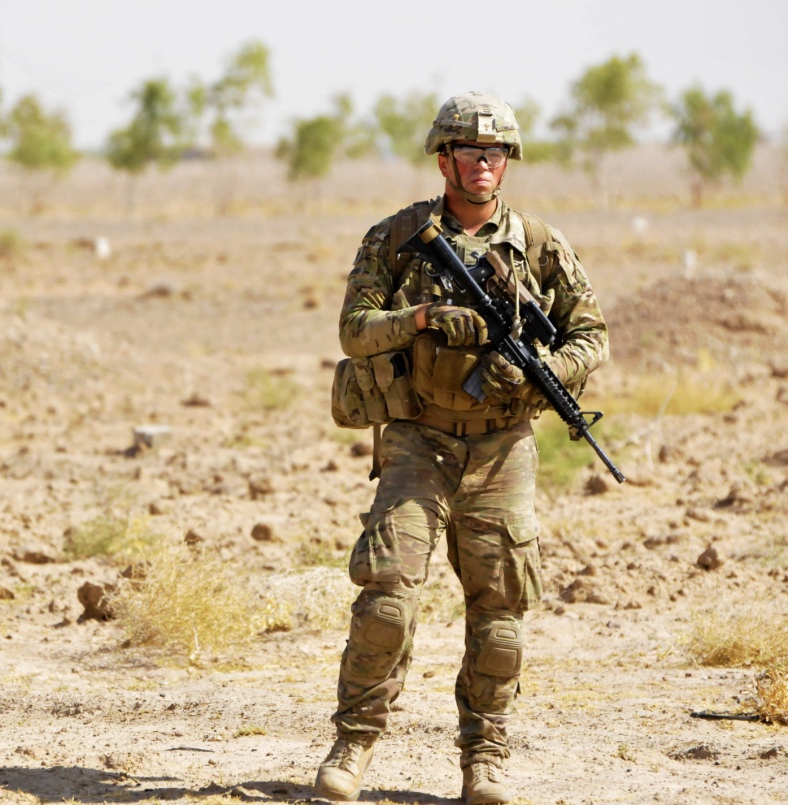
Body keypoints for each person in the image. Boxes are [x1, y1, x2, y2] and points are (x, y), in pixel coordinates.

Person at [315, 92, 609, 804]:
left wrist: (537, 369)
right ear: (443, 158)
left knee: (501, 612)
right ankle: (352, 744)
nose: (486, 164)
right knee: (386, 597)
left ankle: (486, 756)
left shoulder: (540, 246)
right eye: (472, 151)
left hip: (502, 447)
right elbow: (354, 330)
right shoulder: (396, 239)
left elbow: (591, 337)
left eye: (498, 152)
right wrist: (421, 318)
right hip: (418, 440)